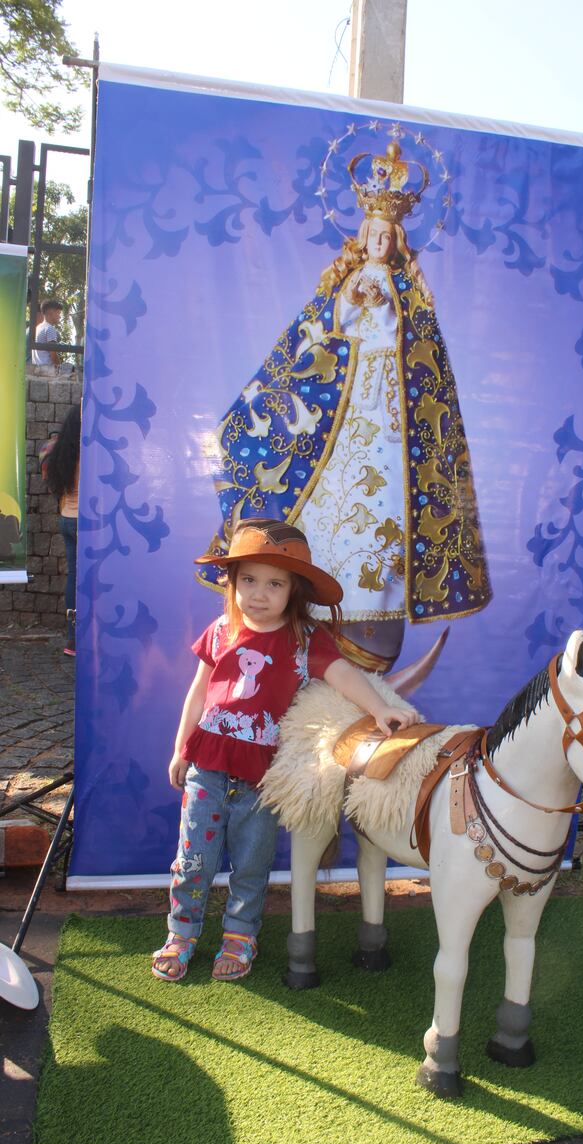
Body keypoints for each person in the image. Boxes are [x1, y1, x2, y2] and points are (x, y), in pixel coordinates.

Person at [201, 140, 491, 674]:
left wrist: (394, 316)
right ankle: (309, 601)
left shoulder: (411, 292)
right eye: (373, 235)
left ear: (396, 240)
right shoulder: (346, 280)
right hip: (343, 397)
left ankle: (370, 615)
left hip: (392, 405)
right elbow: (320, 330)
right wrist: (353, 306)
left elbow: (424, 355)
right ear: (363, 237)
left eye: (387, 236)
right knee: (329, 488)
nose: (379, 242)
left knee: (386, 494)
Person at [151, 518, 418, 982]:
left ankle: (239, 934)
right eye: (249, 580)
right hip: (208, 767)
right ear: (232, 583)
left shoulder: (306, 641)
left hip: (260, 775)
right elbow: (198, 693)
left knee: (251, 864)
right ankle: (182, 932)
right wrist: (180, 749)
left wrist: (379, 709)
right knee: (193, 859)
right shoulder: (219, 632)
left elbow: (344, 676)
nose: (259, 593)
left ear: (293, 590)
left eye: (274, 583)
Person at [43, 405, 80, 656]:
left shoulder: (58, 454)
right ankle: (87, 637)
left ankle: (72, 639)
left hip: (66, 518)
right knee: (91, 581)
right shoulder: (88, 453)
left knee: (73, 577)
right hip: (85, 523)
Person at [31, 299, 64, 367]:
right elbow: (53, 354)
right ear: (51, 312)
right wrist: (60, 368)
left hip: (37, 368)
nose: (60, 316)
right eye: (58, 313)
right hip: (47, 370)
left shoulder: (38, 328)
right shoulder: (50, 329)